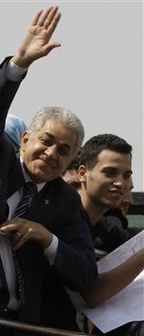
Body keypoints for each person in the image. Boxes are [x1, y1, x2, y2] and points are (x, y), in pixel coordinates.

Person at [0, 6, 97, 335]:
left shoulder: (66, 201)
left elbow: (85, 271)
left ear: (72, 162)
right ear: (25, 140)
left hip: (20, 326)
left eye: (64, 150)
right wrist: (19, 65)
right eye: (46, 140)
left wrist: (48, 239)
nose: (52, 152)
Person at [41, 134, 143, 335]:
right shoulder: (64, 217)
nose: (120, 183)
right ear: (82, 173)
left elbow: (130, 238)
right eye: (110, 173)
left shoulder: (101, 225)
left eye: (126, 175)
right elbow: (93, 293)